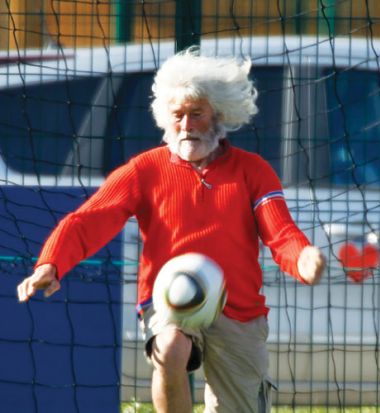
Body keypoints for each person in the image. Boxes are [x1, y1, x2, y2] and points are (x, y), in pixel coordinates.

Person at [16, 48, 326, 413]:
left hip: (239, 308)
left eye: (197, 114)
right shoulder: (144, 169)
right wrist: (51, 263)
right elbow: (90, 218)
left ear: (219, 116)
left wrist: (304, 258)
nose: (186, 125)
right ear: (166, 118)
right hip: (168, 301)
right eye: (178, 115)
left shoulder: (252, 170)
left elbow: (281, 232)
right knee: (170, 348)